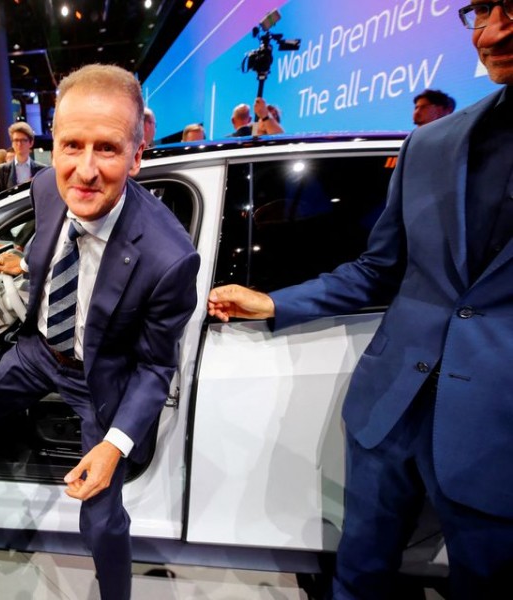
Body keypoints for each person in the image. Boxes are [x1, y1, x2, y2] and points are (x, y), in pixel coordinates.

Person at [207, 6, 513, 597]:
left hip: (497, 432)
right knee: (357, 578)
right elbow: (381, 269)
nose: (492, 32)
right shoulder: (431, 143)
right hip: (390, 408)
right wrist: (272, 303)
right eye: (482, 10)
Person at [0, 64, 200, 600]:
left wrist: (113, 447)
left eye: (107, 149)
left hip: (100, 382)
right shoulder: (45, 186)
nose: (84, 170)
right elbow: (45, 250)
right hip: (37, 352)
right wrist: (15, 262)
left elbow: (158, 368)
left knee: (102, 519)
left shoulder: (169, 257)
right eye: (71, 145)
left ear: (136, 156)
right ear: (52, 147)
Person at [0, 122, 47, 195]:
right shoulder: (3, 170)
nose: (19, 144)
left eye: (23, 140)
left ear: (31, 143)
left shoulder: (41, 170)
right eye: (16, 140)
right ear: (12, 143)